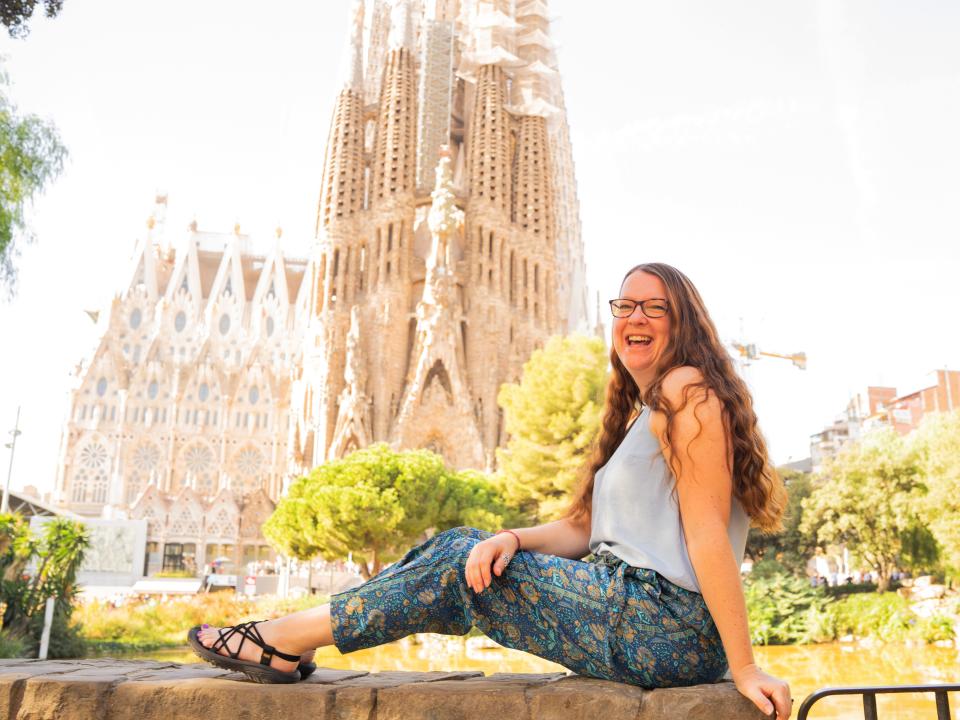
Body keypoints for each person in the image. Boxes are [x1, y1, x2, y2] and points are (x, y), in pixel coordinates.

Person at [189, 262, 792, 719]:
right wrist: (509, 537)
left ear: (682, 322)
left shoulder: (688, 391)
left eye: (653, 309)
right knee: (469, 546)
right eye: (625, 305)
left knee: (458, 559)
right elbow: (583, 531)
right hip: (639, 617)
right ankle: (284, 638)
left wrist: (743, 665)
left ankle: (279, 640)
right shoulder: (643, 412)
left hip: (666, 623)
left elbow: (708, 529)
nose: (634, 318)